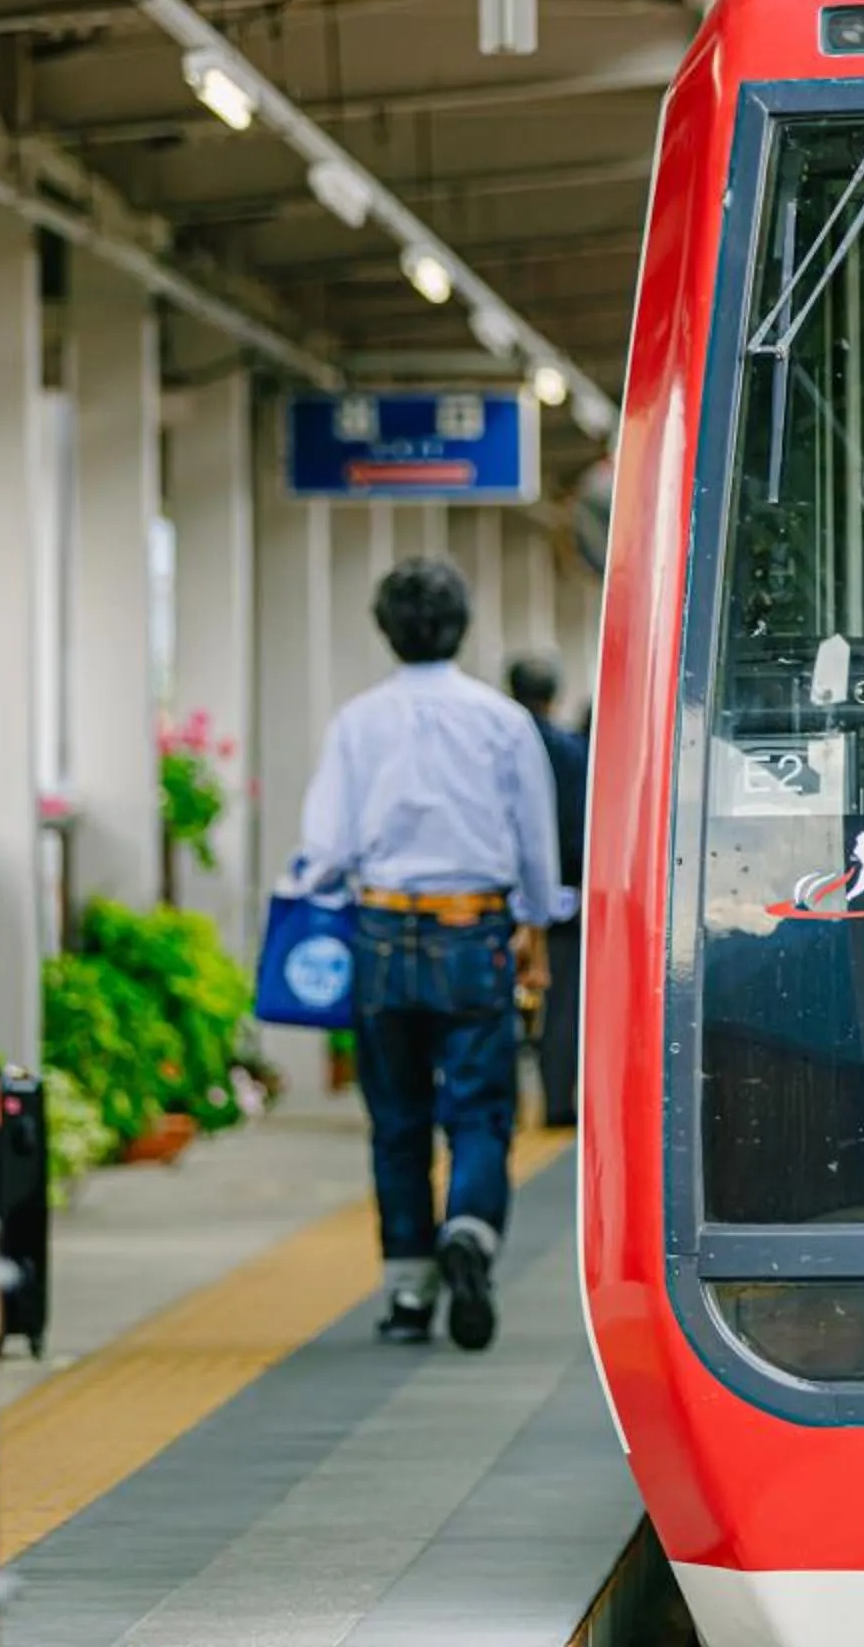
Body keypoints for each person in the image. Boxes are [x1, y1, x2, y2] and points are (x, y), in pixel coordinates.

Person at [297, 559, 561, 1350]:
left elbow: (326, 850)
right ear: (462, 626)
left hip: (381, 931)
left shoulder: (356, 723)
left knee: (396, 1117)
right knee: (481, 1109)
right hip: (474, 930)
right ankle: (471, 1232)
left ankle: (408, 1293)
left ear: (386, 630)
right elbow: (536, 849)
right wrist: (538, 931)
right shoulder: (502, 721)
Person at [506, 654, 590, 1128]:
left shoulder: (493, 742)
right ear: (553, 697)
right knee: (560, 1006)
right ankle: (557, 1101)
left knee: (496, 1004)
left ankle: (507, 1103)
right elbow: (580, 825)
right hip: (562, 897)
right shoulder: (572, 750)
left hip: (494, 898)